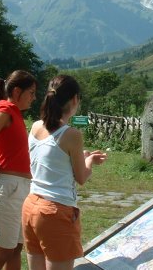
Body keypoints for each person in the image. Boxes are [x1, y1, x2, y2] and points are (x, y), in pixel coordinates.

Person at [22, 74, 107, 270]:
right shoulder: (72, 135)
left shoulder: (35, 127)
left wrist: (80, 157)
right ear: (75, 99)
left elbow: (49, 160)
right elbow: (81, 177)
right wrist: (89, 160)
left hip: (31, 205)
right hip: (55, 211)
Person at [0, 70, 38, 270]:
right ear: (18, 91)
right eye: (32, 92)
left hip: (19, 188)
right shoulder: (6, 110)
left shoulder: (14, 113)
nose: (34, 98)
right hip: (9, 188)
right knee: (3, 250)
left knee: (16, 248)